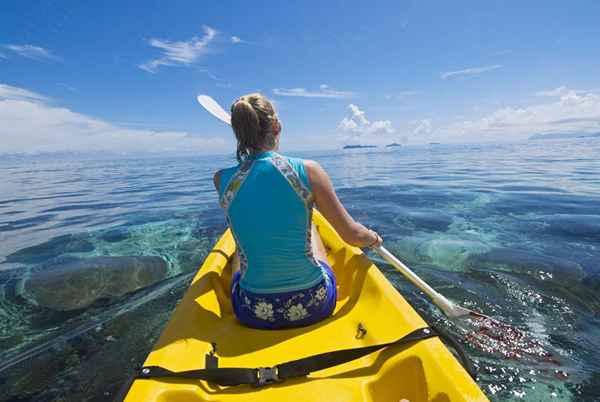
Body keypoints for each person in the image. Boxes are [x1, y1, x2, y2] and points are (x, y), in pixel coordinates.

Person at [213, 93, 382, 329]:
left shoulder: (221, 179)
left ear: (239, 132)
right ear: (276, 126)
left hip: (252, 310)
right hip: (313, 304)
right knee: (310, 221)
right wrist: (373, 238)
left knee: (240, 251)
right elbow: (352, 236)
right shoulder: (308, 170)